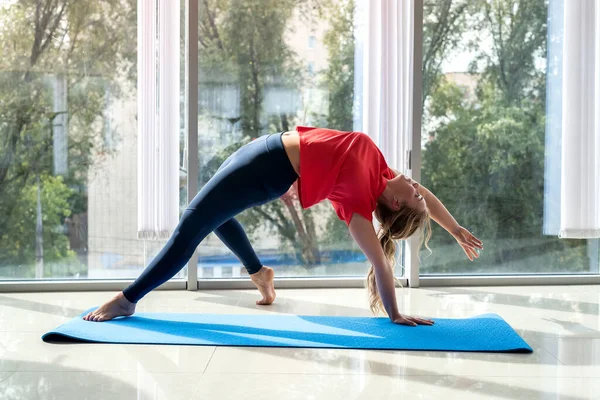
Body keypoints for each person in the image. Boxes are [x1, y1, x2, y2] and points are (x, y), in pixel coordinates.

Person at [83, 126, 483, 326]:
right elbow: (424, 196)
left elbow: (380, 264)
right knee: (211, 216)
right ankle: (261, 274)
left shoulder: (361, 207)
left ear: (395, 202)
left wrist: (394, 313)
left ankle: (127, 299)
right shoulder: (382, 172)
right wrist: (455, 227)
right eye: (415, 188)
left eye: (411, 193)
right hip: (264, 147)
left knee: (191, 225)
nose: (416, 185)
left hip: (266, 171)